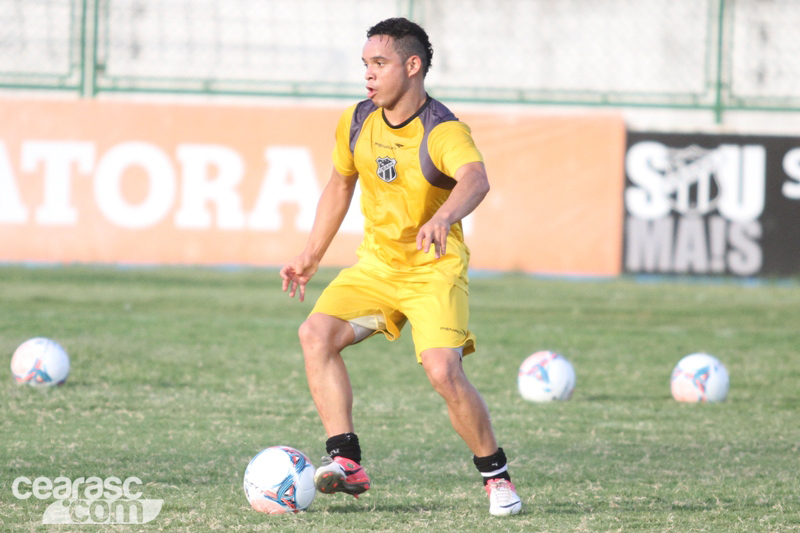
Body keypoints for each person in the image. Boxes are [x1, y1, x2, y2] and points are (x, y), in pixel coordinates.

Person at [279, 17, 521, 516]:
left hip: (434, 268)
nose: (368, 74)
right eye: (365, 64)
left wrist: (445, 216)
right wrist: (311, 256)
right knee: (315, 335)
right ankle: (346, 462)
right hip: (378, 269)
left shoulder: (443, 130)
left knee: (442, 370)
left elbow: (475, 179)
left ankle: (495, 476)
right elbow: (340, 185)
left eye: (379, 63)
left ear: (413, 67)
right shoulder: (356, 120)